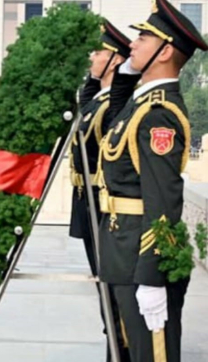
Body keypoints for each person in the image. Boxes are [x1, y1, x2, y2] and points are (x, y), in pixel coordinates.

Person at [97, 0, 207, 360]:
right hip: (120, 245)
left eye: (143, 38)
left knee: (150, 354)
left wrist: (152, 275)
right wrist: (128, 71)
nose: (132, 45)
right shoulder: (139, 104)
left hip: (138, 255)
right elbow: (111, 111)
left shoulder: (160, 115)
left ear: (165, 51)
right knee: (126, 350)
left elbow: (163, 199)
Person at [69, 21, 132, 361]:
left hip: (102, 204)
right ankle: (113, 341)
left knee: (110, 284)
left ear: (115, 60)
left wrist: (117, 77)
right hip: (87, 202)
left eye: (98, 53)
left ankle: (118, 347)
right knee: (101, 282)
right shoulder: (98, 100)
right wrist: (94, 80)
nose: (91, 57)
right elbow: (84, 106)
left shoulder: (113, 105)